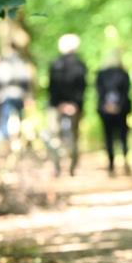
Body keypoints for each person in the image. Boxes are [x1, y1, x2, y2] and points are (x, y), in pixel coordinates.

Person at [48, 34, 87, 176]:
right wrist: (74, 104)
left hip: (58, 106)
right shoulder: (80, 65)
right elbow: (82, 87)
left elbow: (52, 87)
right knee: (74, 137)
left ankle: (57, 166)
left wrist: (59, 103)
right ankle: (72, 168)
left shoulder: (55, 64)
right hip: (73, 106)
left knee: (55, 136)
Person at [96, 53, 131, 176]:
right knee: (122, 136)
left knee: (108, 136)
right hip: (121, 110)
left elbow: (99, 93)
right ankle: (125, 161)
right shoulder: (124, 73)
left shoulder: (101, 74)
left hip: (106, 111)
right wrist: (118, 107)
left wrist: (106, 106)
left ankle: (111, 166)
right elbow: (126, 92)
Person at [0, 43, 33, 139]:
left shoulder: (6, 63)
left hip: (9, 94)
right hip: (17, 94)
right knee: (16, 117)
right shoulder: (21, 63)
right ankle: (16, 139)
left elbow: (0, 80)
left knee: (7, 117)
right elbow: (26, 82)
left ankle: (9, 139)